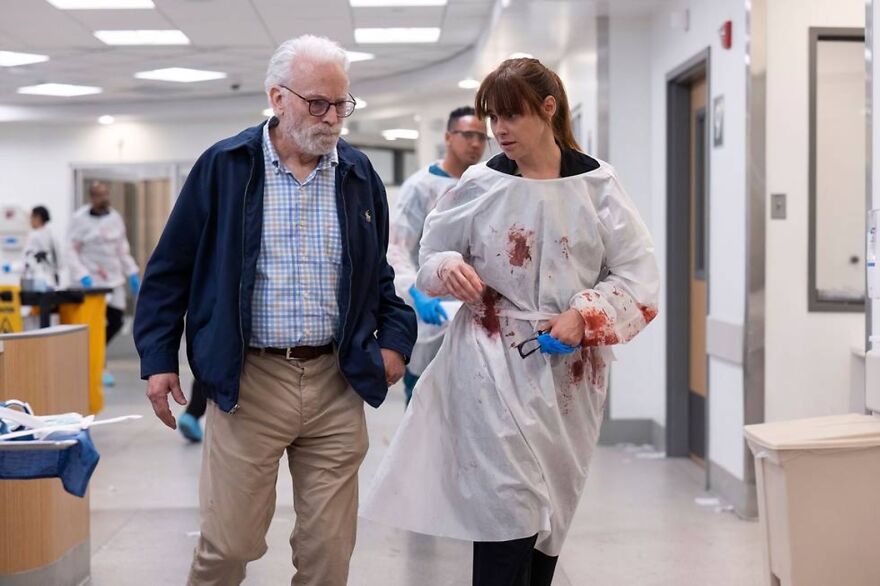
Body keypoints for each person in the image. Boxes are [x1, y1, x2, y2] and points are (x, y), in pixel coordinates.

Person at [360, 57, 659, 586]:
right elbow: (430, 255)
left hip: (569, 378)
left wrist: (584, 315)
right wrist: (448, 268)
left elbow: (638, 276)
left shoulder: (598, 185)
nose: (498, 130)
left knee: (551, 515)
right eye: (492, 117)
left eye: (510, 116)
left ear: (548, 109)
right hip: (488, 363)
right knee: (507, 510)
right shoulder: (481, 183)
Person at [133, 35, 416, 586]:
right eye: (318, 103)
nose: (333, 117)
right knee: (229, 545)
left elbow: (377, 277)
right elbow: (170, 271)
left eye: (342, 103)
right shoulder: (225, 166)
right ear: (277, 98)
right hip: (250, 381)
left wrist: (394, 342)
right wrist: (158, 357)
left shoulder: (358, 176)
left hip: (337, 379)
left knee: (328, 554)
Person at [387, 106, 488, 404]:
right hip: (431, 318)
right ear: (448, 136)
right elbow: (396, 249)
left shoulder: (487, 184)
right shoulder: (421, 187)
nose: (475, 143)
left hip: (476, 317)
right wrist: (418, 293)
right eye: (468, 135)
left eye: (482, 137)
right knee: (425, 407)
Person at [67, 182, 140, 387]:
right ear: (92, 197)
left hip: (113, 279)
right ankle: (97, 366)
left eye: (106, 194)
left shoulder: (115, 218)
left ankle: (95, 357)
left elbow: (122, 249)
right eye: (99, 195)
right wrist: (82, 275)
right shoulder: (79, 219)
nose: (104, 198)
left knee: (115, 321)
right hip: (91, 282)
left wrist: (132, 272)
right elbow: (71, 250)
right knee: (95, 325)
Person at [3, 206, 65, 287]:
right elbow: (60, 263)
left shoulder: (34, 236)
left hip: (36, 282)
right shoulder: (52, 236)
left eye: (31, 217)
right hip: (51, 281)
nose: (30, 220)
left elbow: (27, 262)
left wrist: (11, 267)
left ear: (38, 218)